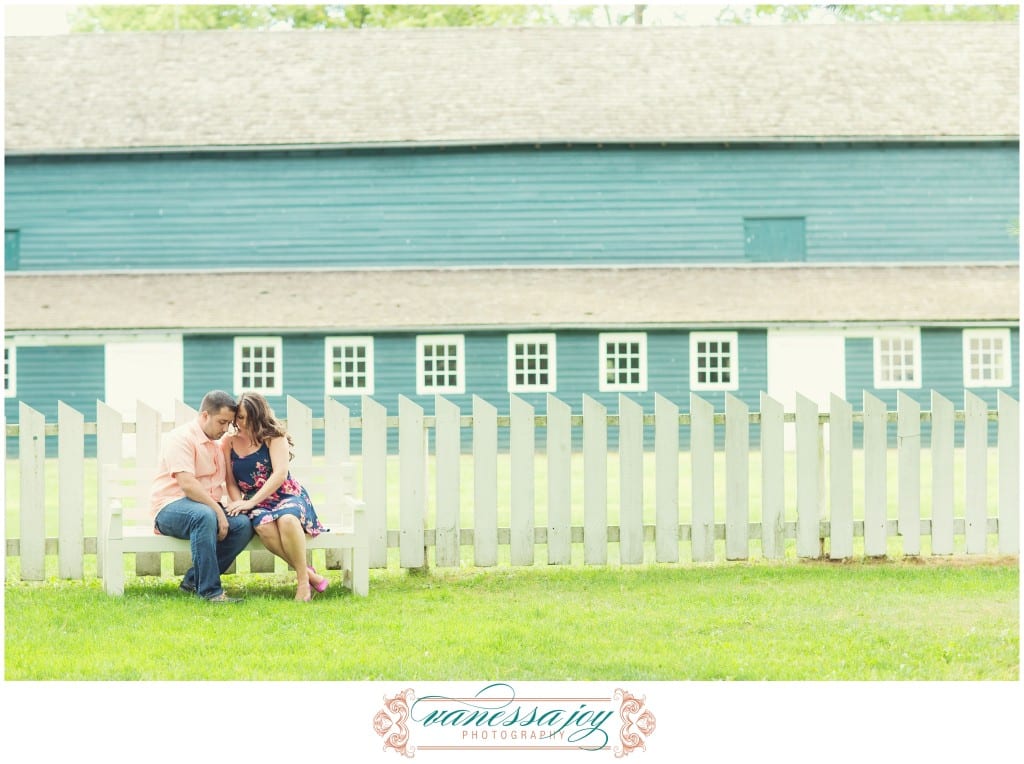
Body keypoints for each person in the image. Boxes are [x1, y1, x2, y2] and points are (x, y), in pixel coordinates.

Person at [223, 392, 329, 602]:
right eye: (239, 417)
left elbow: (280, 474)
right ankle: (310, 575)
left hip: (285, 494)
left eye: (247, 417)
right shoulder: (229, 442)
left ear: (259, 415)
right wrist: (239, 503)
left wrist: (251, 502)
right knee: (263, 526)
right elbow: (230, 481)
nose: (242, 423)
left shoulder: (274, 436)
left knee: (287, 520)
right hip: (254, 501)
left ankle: (302, 583)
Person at [150, 390, 254, 602]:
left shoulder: (217, 444)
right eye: (221, 422)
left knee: (243, 524)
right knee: (204, 515)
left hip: (204, 509)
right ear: (205, 415)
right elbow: (188, 485)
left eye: (229, 424)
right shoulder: (180, 438)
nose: (225, 429)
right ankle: (210, 592)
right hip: (170, 507)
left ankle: (192, 581)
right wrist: (218, 511)